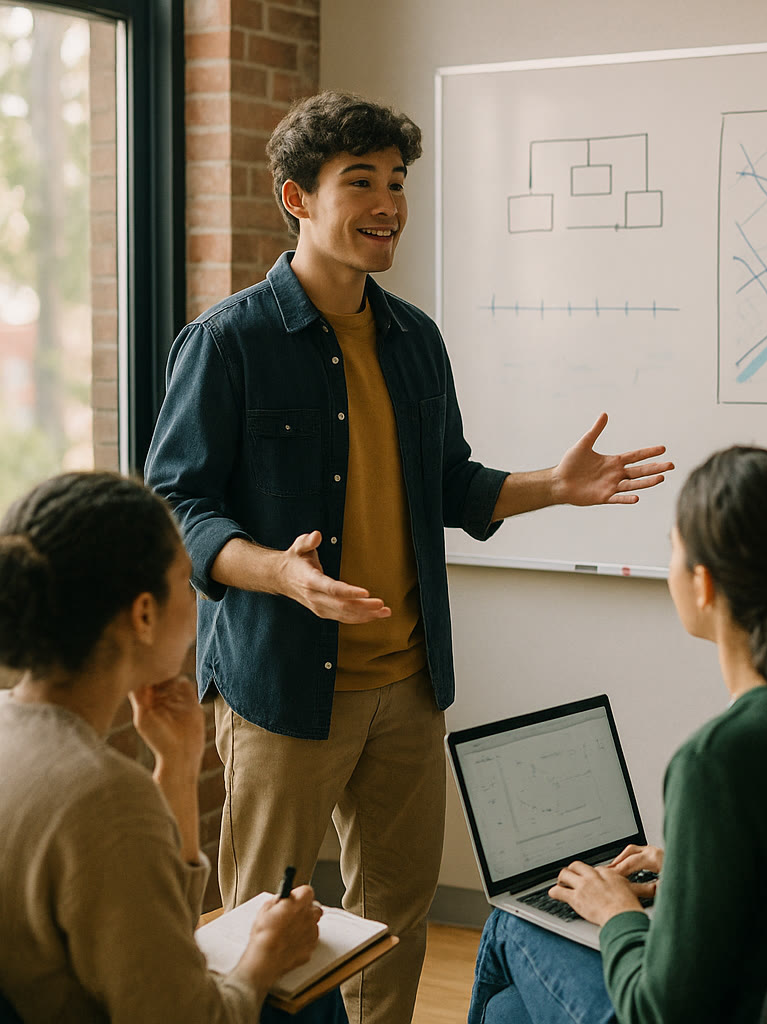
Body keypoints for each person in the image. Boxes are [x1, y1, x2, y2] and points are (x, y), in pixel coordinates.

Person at [143, 91, 671, 1024]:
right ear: (295, 198)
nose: (388, 201)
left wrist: (554, 483)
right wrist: (281, 573)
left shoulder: (415, 340)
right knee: (269, 928)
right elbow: (175, 506)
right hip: (282, 688)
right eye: (362, 182)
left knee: (396, 918)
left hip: (410, 683)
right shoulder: (231, 341)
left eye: (396, 181)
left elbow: (452, 488)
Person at [467, 446, 767, 1023]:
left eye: (672, 550)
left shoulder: (718, 760)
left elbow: (660, 1012)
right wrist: (693, 867)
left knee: (512, 922)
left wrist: (617, 914)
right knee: (512, 1012)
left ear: (704, 585)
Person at [0, 471, 342, 1023]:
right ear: (142, 614)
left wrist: (178, 766)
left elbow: (158, 934)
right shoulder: (103, 797)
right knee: (313, 995)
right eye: (186, 581)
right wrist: (265, 956)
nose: (196, 601)